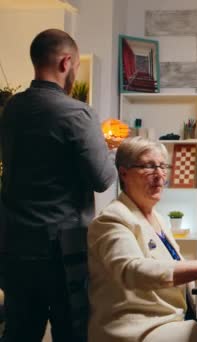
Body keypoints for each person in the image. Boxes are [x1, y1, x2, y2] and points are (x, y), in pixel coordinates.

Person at [0, 29, 116, 341]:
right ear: (66, 62)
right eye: (75, 65)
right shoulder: (77, 113)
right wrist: (106, 148)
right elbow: (102, 178)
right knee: (72, 332)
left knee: (19, 333)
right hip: (62, 250)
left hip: (14, 246)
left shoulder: (11, 109)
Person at [88, 137, 197, 342]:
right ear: (124, 172)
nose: (159, 175)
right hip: (136, 328)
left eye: (162, 166)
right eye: (149, 167)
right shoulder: (112, 219)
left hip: (168, 319)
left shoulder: (155, 217)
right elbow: (133, 271)